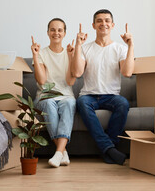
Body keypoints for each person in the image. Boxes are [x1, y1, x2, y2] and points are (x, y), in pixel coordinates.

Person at [71, 9, 134, 165]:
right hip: (89, 96)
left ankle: (108, 148)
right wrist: (78, 45)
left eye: (107, 20)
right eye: (99, 21)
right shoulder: (86, 48)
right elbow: (77, 72)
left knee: (123, 103)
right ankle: (110, 149)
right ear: (93, 25)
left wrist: (131, 45)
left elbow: (127, 72)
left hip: (111, 96)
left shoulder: (120, 49)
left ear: (112, 25)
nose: (103, 23)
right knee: (81, 103)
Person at [31, 18, 76, 168]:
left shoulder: (70, 53)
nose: (56, 33)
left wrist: (71, 57)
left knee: (70, 102)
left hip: (66, 96)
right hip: (45, 97)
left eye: (59, 30)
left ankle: (58, 153)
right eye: (52, 29)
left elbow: (70, 82)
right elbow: (42, 81)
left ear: (64, 33)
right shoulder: (41, 53)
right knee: (49, 103)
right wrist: (35, 56)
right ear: (48, 32)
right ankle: (62, 152)